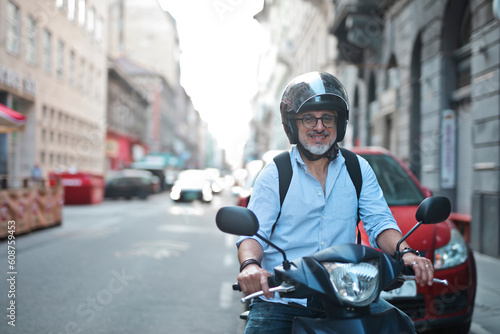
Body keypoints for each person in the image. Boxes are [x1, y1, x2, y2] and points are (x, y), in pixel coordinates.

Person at [236, 71, 433, 334]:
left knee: (400, 327)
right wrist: (250, 266)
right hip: (281, 300)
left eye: (327, 118)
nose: (319, 127)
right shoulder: (275, 173)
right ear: (293, 125)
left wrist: (406, 253)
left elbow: (379, 222)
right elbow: (253, 234)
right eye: (309, 118)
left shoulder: (357, 168)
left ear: (339, 124)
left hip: (345, 299)